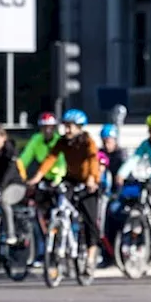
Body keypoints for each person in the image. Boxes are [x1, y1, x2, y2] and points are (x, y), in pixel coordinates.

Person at [25, 109, 103, 270]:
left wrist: (92, 178)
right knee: (59, 204)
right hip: (71, 179)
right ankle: (62, 234)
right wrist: (37, 177)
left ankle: (91, 254)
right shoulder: (62, 142)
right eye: (65, 126)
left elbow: (93, 159)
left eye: (70, 127)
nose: (66, 130)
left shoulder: (87, 141)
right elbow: (51, 158)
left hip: (88, 181)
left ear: (80, 127)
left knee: (90, 219)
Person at [20, 112, 66, 185]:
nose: (47, 130)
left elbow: (62, 163)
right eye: (44, 127)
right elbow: (24, 158)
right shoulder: (36, 139)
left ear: (54, 128)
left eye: (50, 127)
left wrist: (57, 179)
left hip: (61, 177)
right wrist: (20, 174)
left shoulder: (59, 141)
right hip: (43, 176)